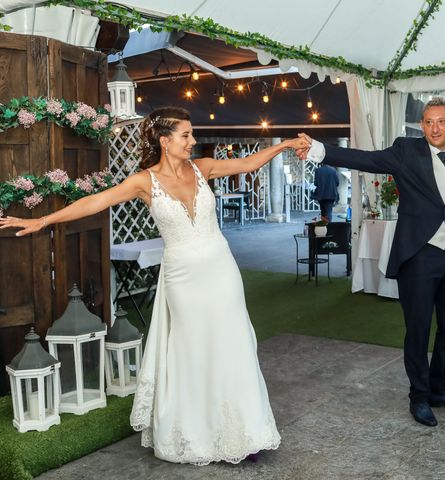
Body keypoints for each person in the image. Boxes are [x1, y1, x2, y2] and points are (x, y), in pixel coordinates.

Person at [0, 107, 310, 464]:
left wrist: (285, 144)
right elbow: (95, 201)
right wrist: (43, 220)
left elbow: (248, 165)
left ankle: (245, 432)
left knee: (234, 342)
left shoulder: (203, 168)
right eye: (186, 135)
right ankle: (197, 434)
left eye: (192, 135)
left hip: (222, 269)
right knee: (192, 349)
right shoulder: (143, 182)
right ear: (165, 141)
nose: (193, 141)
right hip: (182, 277)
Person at [296, 97, 445, 427]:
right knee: (419, 329)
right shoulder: (406, 152)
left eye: (441, 121)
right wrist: (319, 150)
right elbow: (365, 159)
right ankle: (419, 396)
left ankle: (442, 387)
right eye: (428, 122)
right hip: (418, 255)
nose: (434, 127)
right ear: (422, 125)